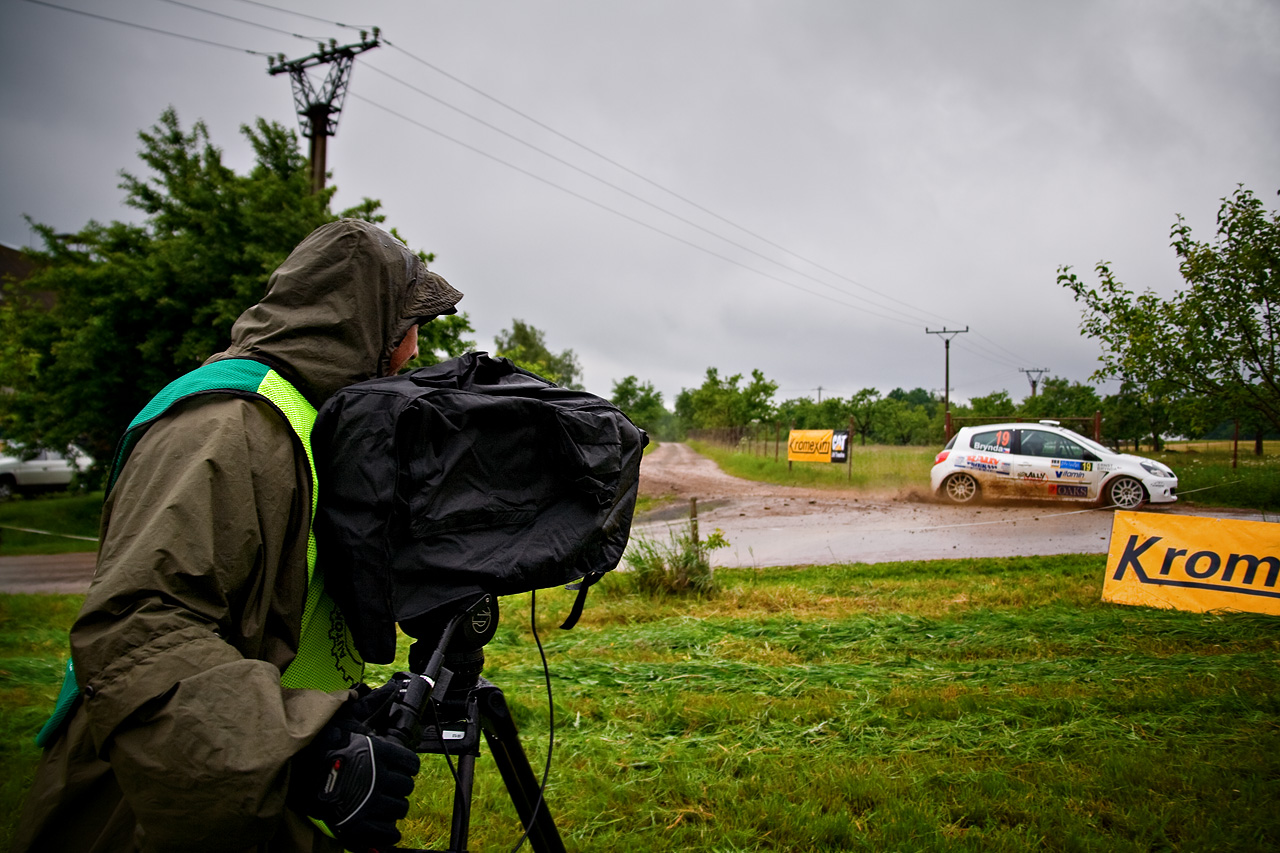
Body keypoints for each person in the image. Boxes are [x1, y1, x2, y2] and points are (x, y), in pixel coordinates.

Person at [12, 219, 463, 852]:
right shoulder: (226, 426)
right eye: (409, 326)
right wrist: (302, 750)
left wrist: (337, 714)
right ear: (363, 325)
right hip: (149, 802)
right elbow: (140, 634)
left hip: (230, 786)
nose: (415, 350)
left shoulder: (305, 423)